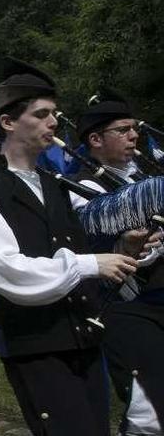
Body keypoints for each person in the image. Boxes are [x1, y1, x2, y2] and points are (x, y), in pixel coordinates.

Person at [0, 60, 138, 435]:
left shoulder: (53, 182)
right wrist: (91, 264)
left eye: (54, 114)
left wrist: (124, 245)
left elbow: (80, 251)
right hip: (35, 346)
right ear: (8, 123)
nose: (54, 123)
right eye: (41, 115)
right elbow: (7, 271)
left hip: (84, 336)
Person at [69, 92, 164, 435]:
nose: (134, 136)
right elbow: (86, 248)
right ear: (95, 140)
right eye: (122, 130)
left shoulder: (145, 176)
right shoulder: (81, 187)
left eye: (134, 128)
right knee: (148, 411)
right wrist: (127, 245)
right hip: (125, 306)